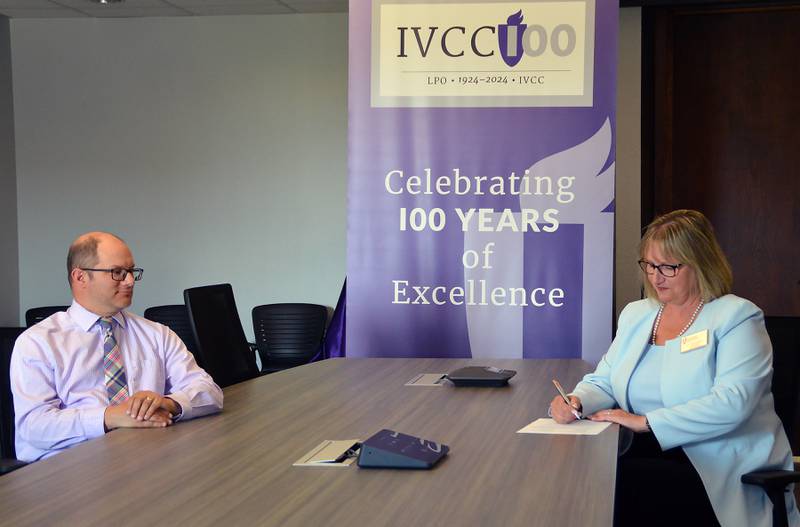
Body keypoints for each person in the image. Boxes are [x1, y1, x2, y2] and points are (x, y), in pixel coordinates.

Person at [549, 210, 799, 527]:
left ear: (700, 263)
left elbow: (734, 402)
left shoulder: (736, 317)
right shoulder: (638, 313)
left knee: (621, 484)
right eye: (650, 265)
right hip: (645, 448)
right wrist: (578, 399)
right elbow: (606, 380)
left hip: (715, 459)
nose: (656, 277)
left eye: (669, 266)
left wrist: (646, 422)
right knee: (583, 475)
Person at [11, 231, 223, 462]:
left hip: (148, 458)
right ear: (80, 276)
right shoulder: (38, 342)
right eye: (117, 272)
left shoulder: (156, 334)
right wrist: (110, 417)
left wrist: (169, 403)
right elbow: (33, 427)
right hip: (70, 468)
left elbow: (210, 392)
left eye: (131, 271)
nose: (130, 281)